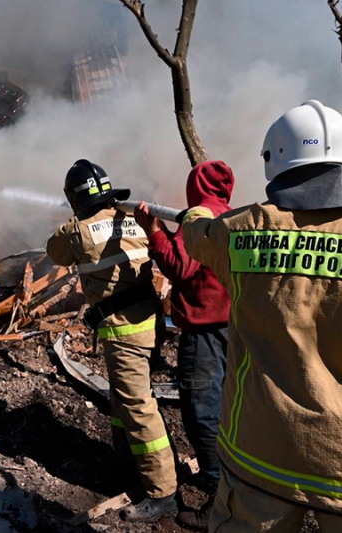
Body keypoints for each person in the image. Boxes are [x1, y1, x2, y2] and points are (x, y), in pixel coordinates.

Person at [180, 100, 342, 532]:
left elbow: (195, 236)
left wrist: (199, 209)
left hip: (261, 452)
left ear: (273, 160)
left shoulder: (242, 229)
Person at [46, 159, 178, 523]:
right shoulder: (131, 217)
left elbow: (54, 250)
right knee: (123, 395)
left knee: (138, 406)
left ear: (74, 198)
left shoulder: (77, 230)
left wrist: (75, 220)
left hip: (125, 333)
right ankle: (126, 458)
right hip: (151, 322)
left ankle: (162, 492)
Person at [133, 160, 235, 531]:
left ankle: (218, 488)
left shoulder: (199, 218)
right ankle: (231, 478)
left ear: (195, 187)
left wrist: (154, 231)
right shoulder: (233, 215)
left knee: (202, 410)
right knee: (229, 407)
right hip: (235, 329)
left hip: (205, 332)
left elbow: (179, 267)